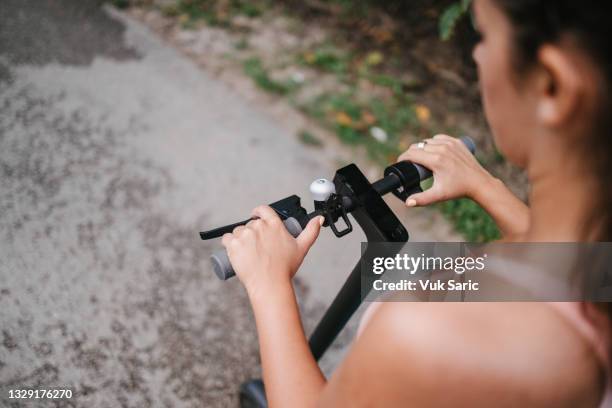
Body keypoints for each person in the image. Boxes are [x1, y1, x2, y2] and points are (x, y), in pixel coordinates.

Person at [221, 0, 612, 406]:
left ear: (552, 84)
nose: (478, 53)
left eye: (486, 35)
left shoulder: (426, 333)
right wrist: (486, 186)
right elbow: (579, 267)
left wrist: (270, 286)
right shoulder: (594, 271)